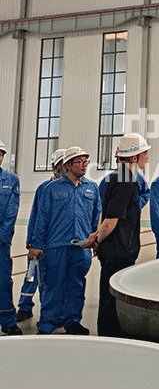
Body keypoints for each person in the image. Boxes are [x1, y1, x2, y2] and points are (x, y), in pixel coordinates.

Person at [31, 147, 101, 335]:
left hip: (82, 247)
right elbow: (42, 218)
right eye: (79, 162)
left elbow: (97, 217)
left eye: (86, 162)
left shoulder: (92, 188)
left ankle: (73, 321)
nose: (84, 165)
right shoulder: (52, 189)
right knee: (52, 285)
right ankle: (47, 323)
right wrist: (37, 245)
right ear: (67, 165)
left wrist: (96, 240)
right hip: (56, 246)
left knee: (76, 285)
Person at [95, 133, 150, 336]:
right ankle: (109, 337)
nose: (147, 157)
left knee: (110, 297)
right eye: (144, 153)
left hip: (118, 248)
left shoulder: (119, 177)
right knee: (111, 299)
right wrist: (98, 240)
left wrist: (97, 235)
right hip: (118, 250)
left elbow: (105, 213)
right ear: (134, 157)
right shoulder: (125, 181)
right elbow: (111, 220)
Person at [16, 147, 66, 323]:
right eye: (62, 164)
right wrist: (31, 239)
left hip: (56, 243)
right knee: (31, 276)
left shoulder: (70, 189)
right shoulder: (43, 188)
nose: (65, 167)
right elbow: (35, 215)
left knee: (52, 280)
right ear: (54, 166)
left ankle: (52, 312)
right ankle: (25, 307)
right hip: (40, 241)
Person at [0, 140, 22, 335]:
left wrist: (2, 237)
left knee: (3, 281)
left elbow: (11, 212)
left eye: (0, 154)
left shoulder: (11, 180)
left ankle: (8, 321)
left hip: (1, 243)